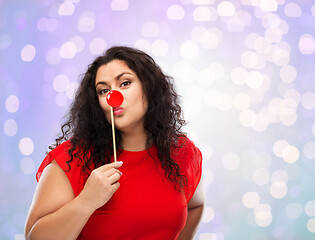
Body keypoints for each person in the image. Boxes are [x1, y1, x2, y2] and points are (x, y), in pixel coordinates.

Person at [24, 46, 204, 239]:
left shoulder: (181, 152)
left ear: (150, 87)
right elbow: (34, 237)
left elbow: (196, 205)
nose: (113, 97)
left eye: (125, 83)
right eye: (103, 91)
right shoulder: (71, 159)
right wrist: (86, 201)